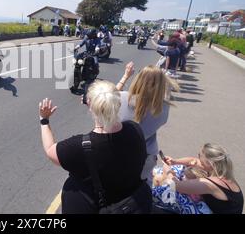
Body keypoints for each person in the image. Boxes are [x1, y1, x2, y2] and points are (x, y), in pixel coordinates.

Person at [39, 81, 152, 214]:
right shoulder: (134, 129)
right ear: (119, 104)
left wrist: (44, 120)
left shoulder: (78, 147)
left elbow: (50, 150)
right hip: (131, 204)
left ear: (90, 105)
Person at [115, 63, 179, 186]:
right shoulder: (163, 107)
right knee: (142, 187)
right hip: (147, 155)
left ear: (138, 79)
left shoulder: (122, 98)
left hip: (119, 153)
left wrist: (125, 76)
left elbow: (106, 98)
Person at [163, 144, 244, 214]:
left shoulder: (209, 183)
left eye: (201, 159)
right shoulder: (222, 172)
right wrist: (174, 161)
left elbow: (176, 186)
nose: (198, 158)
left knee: (170, 190)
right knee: (182, 168)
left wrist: (168, 171)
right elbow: (193, 160)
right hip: (218, 209)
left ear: (211, 164)